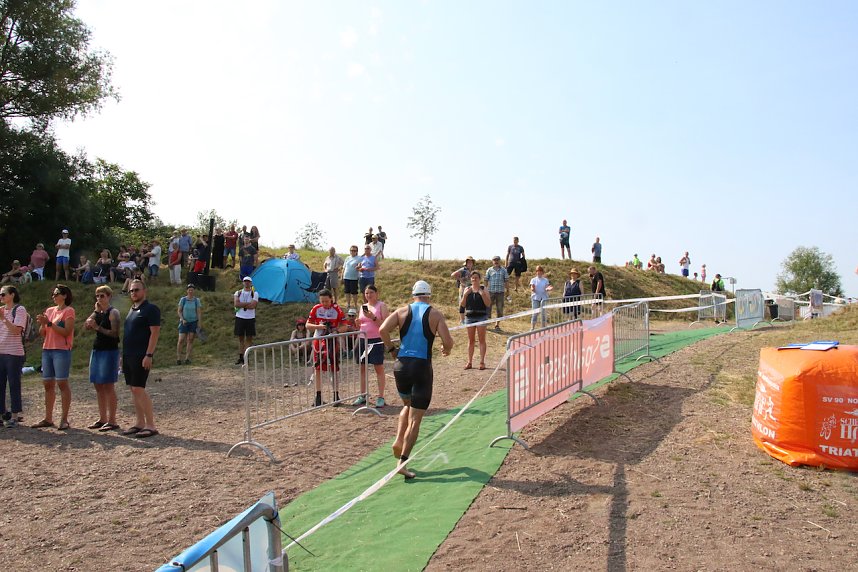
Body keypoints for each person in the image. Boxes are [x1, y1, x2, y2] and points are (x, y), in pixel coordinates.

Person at [379, 280, 454, 479]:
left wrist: (392, 350)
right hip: (421, 368)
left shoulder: (402, 311)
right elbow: (448, 342)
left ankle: (398, 439)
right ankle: (402, 462)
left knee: (408, 404)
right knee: (416, 420)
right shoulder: (435, 314)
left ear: (413, 295)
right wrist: (445, 350)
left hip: (401, 367)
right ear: (429, 295)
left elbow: (382, 330)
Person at [120, 280, 161, 438]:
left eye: (136, 290)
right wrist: (123, 356)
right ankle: (139, 422)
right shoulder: (132, 310)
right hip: (129, 354)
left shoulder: (151, 309)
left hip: (141, 355)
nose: (134, 293)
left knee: (139, 388)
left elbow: (155, 333)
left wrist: (149, 354)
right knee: (133, 388)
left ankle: (150, 425)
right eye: (131, 291)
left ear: (145, 291)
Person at [32, 284, 75, 430]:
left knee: (62, 383)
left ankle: (64, 419)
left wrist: (49, 323)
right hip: (47, 349)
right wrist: (43, 324)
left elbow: (66, 332)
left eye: (56, 294)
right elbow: (43, 333)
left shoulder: (69, 311)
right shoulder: (50, 310)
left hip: (61, 350)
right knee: (47, 384)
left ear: (64, 295)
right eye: (53, 294)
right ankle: (48, 418)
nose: (54, 296)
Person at [83, 285, 121, 431]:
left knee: (108, 385)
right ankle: (102, 418)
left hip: (109, 351)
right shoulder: (97, 312)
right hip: (97, 349)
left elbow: (115, 333)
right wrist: (93, 317)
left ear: (109, 296)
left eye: (102, 296)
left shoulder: (113, 313)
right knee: (98, 385)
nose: (99, 299)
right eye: (97, 296)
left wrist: (97, 327)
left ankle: (112, 420)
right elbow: (87, 325)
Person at [306, 288, 347, 406]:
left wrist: (336, 330)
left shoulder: (337, 309)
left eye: (327, 301)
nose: (324, 303)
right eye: (322, 301)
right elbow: (308, 325)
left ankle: (336, 395)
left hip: (332, 341)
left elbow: (345, 325)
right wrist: (319, 327)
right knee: (317, 368)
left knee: (333, 368)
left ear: (331, 299)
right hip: (318, 341)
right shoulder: (316, 309)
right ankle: (318, 397)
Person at [353, 284, 389, 407]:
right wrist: (357, 323)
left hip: (376, 340)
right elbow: (361, 324)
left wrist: (373, 317)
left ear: (376, 293)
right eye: (366, 293)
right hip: (362, 339)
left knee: (378, 368)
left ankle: (381, 397)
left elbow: (385, 325)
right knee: (362, 368)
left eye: (371, 293)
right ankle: (362, 395)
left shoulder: (381, 306)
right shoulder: (363, 307)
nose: (368, 295)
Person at [0, 285, 27, 427]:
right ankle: (2, 414)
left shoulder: (19, 310)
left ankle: (15, 415)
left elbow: (16, 330)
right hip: (1, 351)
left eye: (3, 294)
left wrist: (3, 318)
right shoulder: (1, 310)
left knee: (14, 383)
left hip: (14, 352)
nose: (1, 297)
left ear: (12, 295)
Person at [460, 271, 491, 369]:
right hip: (469, 317)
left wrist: (482, 294)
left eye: (476, 278)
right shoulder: (467, 289)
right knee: (471, 340)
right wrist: (465, 295)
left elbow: (488, 304)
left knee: (482, 340)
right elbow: (462, 304)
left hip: (481, 317)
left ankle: (482, 362)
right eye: (472, 278)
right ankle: (469, 362)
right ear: (470, 279)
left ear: (479, 279)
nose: (474, 279)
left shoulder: (484, 289)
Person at [234, 276, 259, 365]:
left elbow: (253, 306)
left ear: (251, 283)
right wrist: (248, 304)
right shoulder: (238, 292)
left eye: (248, 281)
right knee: (240, 338)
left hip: (250, 318)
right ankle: (241, 356)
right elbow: (236, 304)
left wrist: (242, 305)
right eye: (245, 281)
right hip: (240, 317)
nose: (246, 283)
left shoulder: (255, 293)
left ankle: (245, 357)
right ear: (243, 282)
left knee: (249, 339)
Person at [177, 284, 202, 365]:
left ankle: (187, 358)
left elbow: (198, 312)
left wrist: (199, 322)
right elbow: (179, 311)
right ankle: (178, 358)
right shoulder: (183, 299)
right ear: (187, 291)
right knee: (181, 340)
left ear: (194, 291)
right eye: (189, 290)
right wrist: (182, 319)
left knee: (190, 340)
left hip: (193, 322)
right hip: (184, 322)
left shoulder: (196, 300)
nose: (190, 291)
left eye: (192, 290)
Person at [485, 256, 509, 330]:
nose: (496, 261)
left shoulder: (504, 270)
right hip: (490, 292)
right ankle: (486, 323)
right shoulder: (489, 270)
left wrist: (508, 291)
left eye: (497, 260)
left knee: (499, 309)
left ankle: (497, 325)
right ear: (492, 261)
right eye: (494, 260)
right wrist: (484, 290)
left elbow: (506, 281)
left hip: (500, 293)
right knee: (488, 307)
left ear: (499, 261)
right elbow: (486, 280)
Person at [529, 265, 552, 330]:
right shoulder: (533, 280)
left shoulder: (545, 280)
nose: (539, 272)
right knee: (535, 313)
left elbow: (546, 287)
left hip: (544, 298)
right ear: (536, 272)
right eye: (538, 271)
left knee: (543, 313)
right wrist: (532, 289)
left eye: (540, 271)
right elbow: (532, 287)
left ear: (542, 272)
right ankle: (532, 328)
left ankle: (544, 327)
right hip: (535, 298)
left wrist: (548, 289)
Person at [342, 245, 361, 311]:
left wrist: (358, 267)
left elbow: (360, 265)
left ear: (357, 251)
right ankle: (348, 304)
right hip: (346, 277)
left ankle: (355, 304)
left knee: (354, 292)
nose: (353, 252)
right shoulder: (347, 258)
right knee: (347, 291)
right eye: (351, 250)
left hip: (354, 278)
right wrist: (342, 276)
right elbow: (344, 268)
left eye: (354, 250)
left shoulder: (359, 258)